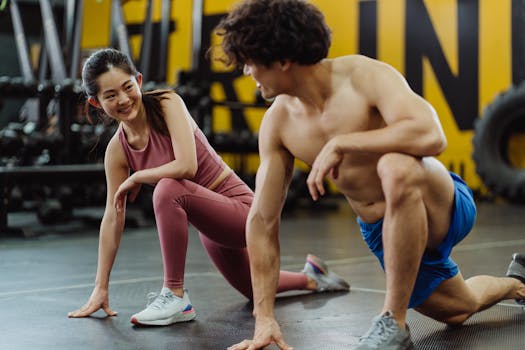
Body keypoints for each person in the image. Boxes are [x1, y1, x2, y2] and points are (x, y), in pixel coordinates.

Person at [213, 1, 525, 349]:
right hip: (385, 231)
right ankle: (517, 282)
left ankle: (393, 321)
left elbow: (431, 135)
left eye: (251, 63)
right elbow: (262, 220)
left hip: (439, 202)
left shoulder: (364, 77)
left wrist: (344, 143)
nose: (246, 72)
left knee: (394, 166)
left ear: (283, 61)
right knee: (458, 309)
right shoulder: (279, 124)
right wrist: (265, 318)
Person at [66, 48, 349, 327]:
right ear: (95, 103)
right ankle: (313, 276)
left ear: (138, 81)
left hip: (244, 212)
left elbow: (186, 166)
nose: (124, 99)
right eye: (110, 95)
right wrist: (101, 287)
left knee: (167, 188)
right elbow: (113, 216)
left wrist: (137, 177)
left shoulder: (167, 102)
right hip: (211, 227)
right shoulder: (117, 149)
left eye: (127, 87)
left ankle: (175, 295)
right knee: (254, 290)